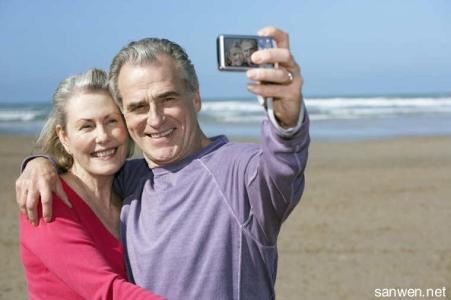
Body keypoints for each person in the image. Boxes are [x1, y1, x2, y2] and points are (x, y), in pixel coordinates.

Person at [16, 26, 309, 300]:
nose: (155, 119)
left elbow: (283, 165)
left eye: (167, 99)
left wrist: (287, 117)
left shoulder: (239, 171)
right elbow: (83, 171)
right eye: (138, 107)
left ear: (195, 98)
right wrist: (41, 163)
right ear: (127, 117)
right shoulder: (127, 179)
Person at [19, 69, 164, 299]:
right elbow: (107, 292)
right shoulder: (45, 201)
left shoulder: (133, 191)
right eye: (87, 126)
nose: (103, 136)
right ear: (64, 137)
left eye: (111, 121)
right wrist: (38, 162)